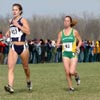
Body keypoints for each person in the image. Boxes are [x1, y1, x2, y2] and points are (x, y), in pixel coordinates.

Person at [4, 3, 32, 93]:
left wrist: (18, 25)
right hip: (13, 46)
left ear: (20, 11)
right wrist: (8, 32)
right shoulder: (11, 21)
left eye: (16, 10)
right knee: (10, 67)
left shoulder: (23, 20)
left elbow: (28, 31)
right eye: (13, 10)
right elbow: (12, 29)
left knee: (25, 67)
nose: (14, 11)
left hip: (23, 46)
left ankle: (28, 80)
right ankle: (10, 86)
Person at [56, 16, 82, 91]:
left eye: (67, 21)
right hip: (65, 54)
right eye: (64, 21)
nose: (66, 22)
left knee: (71, 71)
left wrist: (78, 46)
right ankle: (71, 88)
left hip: (73, 53)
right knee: (67, 72)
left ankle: (76, 75)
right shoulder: (61, 33)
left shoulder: (74, 32)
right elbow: (58, 42)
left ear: (70, 23)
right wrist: (57, 45)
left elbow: (80, 41)